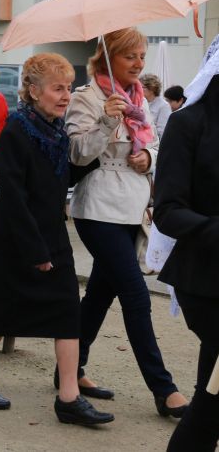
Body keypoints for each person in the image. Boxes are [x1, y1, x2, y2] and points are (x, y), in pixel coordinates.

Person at [0, 53, 113, 426]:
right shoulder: (17, 129)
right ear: (33, 91)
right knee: (2, 312)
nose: (66, 96)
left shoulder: (56, 129)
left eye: (68, 88)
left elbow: (61, 178)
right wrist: (34, 250)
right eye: (57, 89)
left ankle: (68, 398)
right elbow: (12, 195)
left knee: (67, 312)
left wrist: (104, 140)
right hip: (18, 237)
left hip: (51, 232)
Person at [65, 27, 188, 418]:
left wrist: (147, 159)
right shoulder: (87, 98)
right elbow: (77, 155)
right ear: (107, 57)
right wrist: (104, 121)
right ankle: (163, 389)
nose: (138, 63)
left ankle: (69, 369)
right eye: (129, 56)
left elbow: (152, 144)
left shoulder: (139, 99)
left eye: (141, 55)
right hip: (97, 209)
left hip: (132, 208)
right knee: (136, 294)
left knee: (100, 295)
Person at [155, 34, 219, 450]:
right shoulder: (189, 123)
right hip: (208, 280)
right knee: (213, 400)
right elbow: (168, 210)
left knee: (212, 394)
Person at [141, 73, 171, 138]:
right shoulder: (141, 103)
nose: (139, 89)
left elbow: (162, 131)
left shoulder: (164, 106)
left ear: (152, 89)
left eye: (142, 87)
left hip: (153, 144)